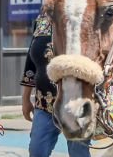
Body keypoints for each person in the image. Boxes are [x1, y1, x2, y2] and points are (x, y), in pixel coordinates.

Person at [21, 12, 90, 157]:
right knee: (36, 151)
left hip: (76, 104)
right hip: (44, 105)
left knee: (79, 153)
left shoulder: (84, 15)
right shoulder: (42, 19)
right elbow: (31, 61)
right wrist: (25, 98)